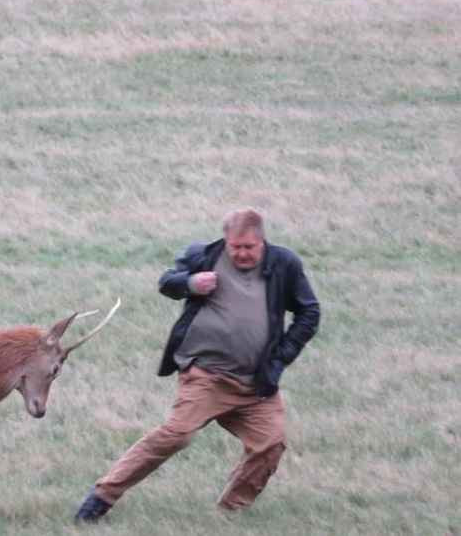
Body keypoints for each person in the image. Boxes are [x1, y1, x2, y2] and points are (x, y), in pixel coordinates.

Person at [74, 207, 320, 522]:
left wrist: (280, 359)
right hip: (206, 377)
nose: (242, 253)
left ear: (263, 242)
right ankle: (101, 497)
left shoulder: (285, 264)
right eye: (235, 247)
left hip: (255, 382)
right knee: (176, 435)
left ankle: (230, 512)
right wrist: (190, 283)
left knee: (270, 444)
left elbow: (309, 312)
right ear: (226, 240)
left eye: (249, 247)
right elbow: (167, 283)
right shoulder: (204, 255)